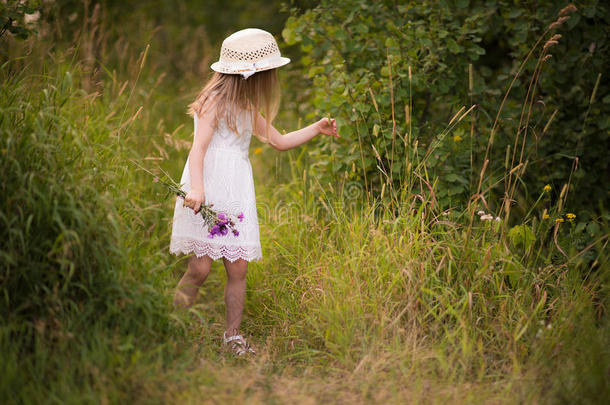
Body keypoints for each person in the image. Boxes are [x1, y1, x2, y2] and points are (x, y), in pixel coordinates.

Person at [169, 28, 339, 356]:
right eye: (267, 73)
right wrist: (198, 189)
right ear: (250, 74)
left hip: (234, 193)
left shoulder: (245, 106)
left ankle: (233, 335)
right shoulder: (213, 102)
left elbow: (279, 141)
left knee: (238, 268)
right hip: (204, 189)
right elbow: (198, 149)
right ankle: (170, 327)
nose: (269, 79)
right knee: (200, 268)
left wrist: (316, 128)